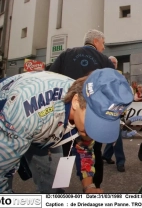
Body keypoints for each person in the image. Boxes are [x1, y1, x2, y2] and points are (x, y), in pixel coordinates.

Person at [0, 68, 133, 193]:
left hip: (43, 131)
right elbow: (2, 168)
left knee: (54, 190)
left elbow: (85, 149)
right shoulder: (27, 109)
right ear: (76, 102)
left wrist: (89, 186)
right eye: (94, 121)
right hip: (13, 120)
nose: (94, 131)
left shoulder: (86, 101)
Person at [49, 29, 114, 189]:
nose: (104, 47)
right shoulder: (104, 60)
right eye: (103, 43)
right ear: (96, 41)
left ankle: (59, 191)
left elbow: (51, 77)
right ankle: (93, 188)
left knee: (65, 153)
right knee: (93, 151)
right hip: (92, 116)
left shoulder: (66, 54)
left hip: (65, 115)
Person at [102, 56, 127, 172]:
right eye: (111, 62)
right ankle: (119, 160)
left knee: (116, 134)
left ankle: (108, 156)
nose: (113, 64)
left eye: (115, 63)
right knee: (115, 134)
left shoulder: (120, 77)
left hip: (116, 108)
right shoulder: (102, 76)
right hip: (104, 107)